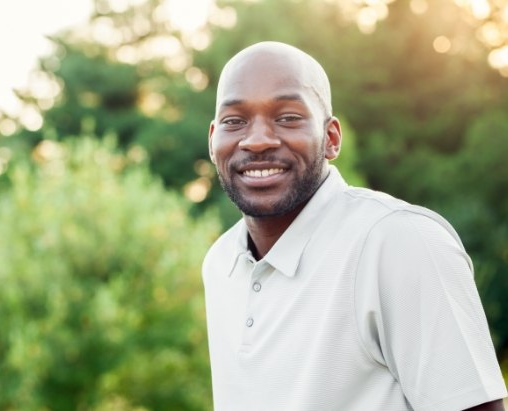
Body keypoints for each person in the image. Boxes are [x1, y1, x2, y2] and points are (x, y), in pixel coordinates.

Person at [202, 41, 507, 411]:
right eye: (235, 121)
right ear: (213, 139)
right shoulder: (220, 264)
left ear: (331, 139)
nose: (258, 139)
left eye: (288, 117)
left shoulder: (399, 243)